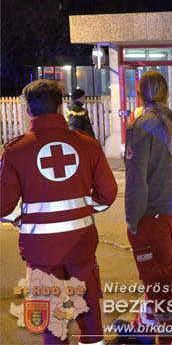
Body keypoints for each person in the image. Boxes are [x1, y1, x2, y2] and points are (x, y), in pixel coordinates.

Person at [0, 79, 117, 345]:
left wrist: (22, 218)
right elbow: (108, 193)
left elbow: (2, 205)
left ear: (28, 110)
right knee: (88, 306)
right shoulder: (87, 144)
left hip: (40, 249)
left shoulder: (16, 151)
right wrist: (83, 208)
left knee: (51, 316)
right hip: (81, 244)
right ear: (61, 107)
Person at [121, 71, 172, 344]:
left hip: (151, 217)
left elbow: (136, 182)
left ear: (140, 94)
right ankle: (143, 327)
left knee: (160, 285)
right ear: (166, 93)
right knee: (164, 276)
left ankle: (168, 339)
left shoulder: (139, 127)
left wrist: (132, 220)